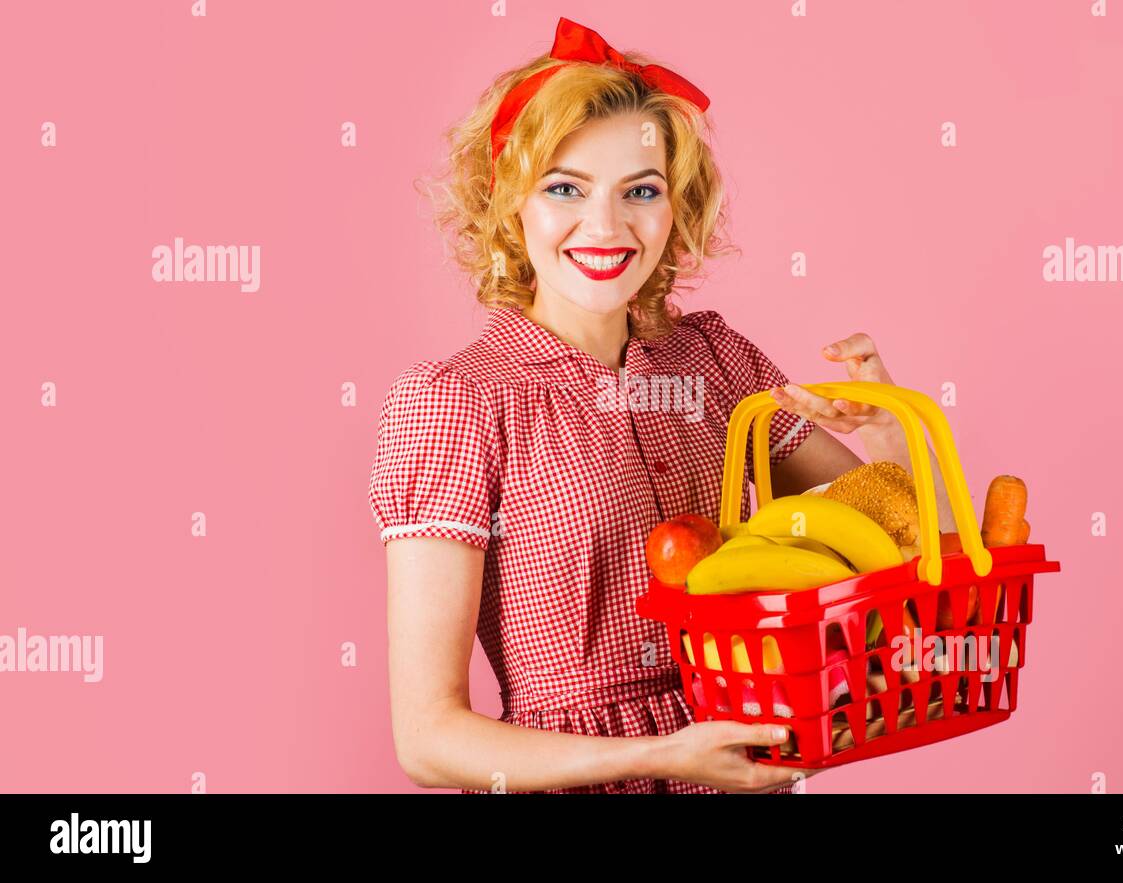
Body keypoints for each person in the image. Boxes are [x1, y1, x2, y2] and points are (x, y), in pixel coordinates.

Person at [368, 17, 957, 794]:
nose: (606, 227)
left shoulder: (716, 361)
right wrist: (657, 756)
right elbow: (427, 737)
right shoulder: (458, 403)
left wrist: (888, 435)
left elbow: (897, 563)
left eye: (639, 191)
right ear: (508, 203)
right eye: (564, 189)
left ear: (676, 207)